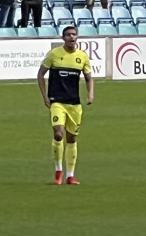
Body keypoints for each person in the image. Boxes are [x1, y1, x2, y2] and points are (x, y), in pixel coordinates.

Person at [37, 26, 94, 186]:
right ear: (63, 38)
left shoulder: (82, 57)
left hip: (74, 104)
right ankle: (58, 171)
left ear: (77, 37)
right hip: (57, 102)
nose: (71, 37)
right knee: (58, 134)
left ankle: (70, 175)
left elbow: (89, 78)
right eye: (68, 35)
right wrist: (45, 96)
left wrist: (90, 94)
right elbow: (40, 74)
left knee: (71, 138)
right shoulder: (54, 55)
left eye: (74, 34)